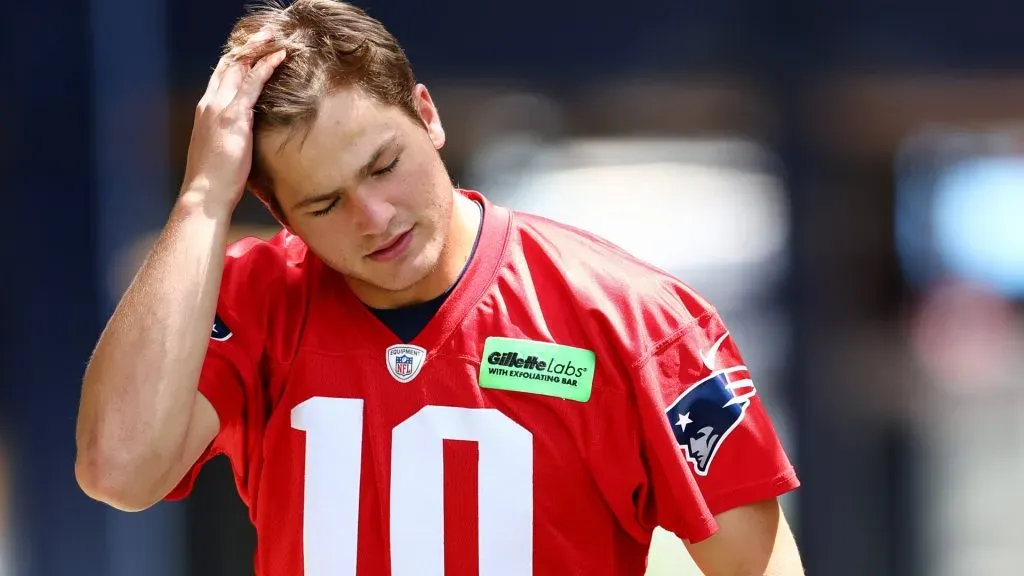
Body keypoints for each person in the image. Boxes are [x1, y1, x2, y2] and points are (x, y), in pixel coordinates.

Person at [74, 1, 804, 574]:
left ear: (428, 114)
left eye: (384, 164)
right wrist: (203, 196)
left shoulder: (632, 319)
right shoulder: (254, 300)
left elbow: (758, 565)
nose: (374, 217)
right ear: (279, 213)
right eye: (325, 205)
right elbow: (118, 469)